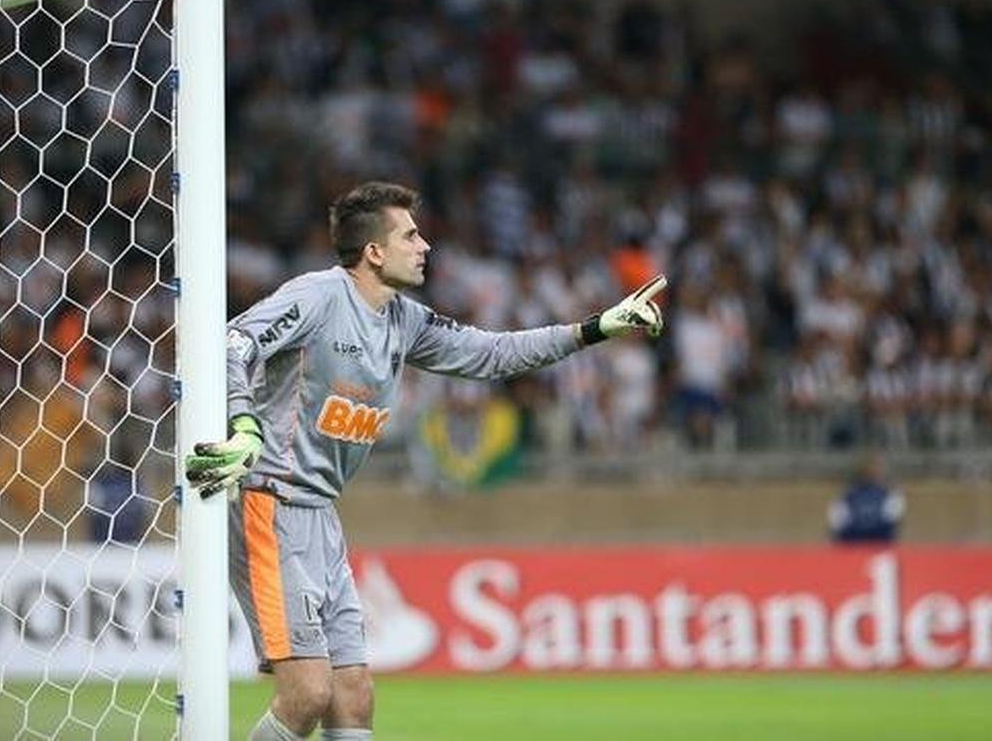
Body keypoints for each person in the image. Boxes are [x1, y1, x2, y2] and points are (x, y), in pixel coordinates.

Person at [186, 182, 667, 741]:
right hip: (271, 502)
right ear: (373, 252)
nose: (425, 246)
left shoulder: (404, 320)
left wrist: (594, 329)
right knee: (308, 693)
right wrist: (243, 425)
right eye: (410, 235)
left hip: (320, 513)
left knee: (354, 696)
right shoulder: (316, 297)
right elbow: (232, 343)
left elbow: (491, 353)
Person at [827, 451, 906, 544]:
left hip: (880, 545)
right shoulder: (847, 497)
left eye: (876, 469)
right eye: (870, 469)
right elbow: (837, 523)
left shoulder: (889, 496)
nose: (873, 472)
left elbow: (893, 521)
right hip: (852, 547)